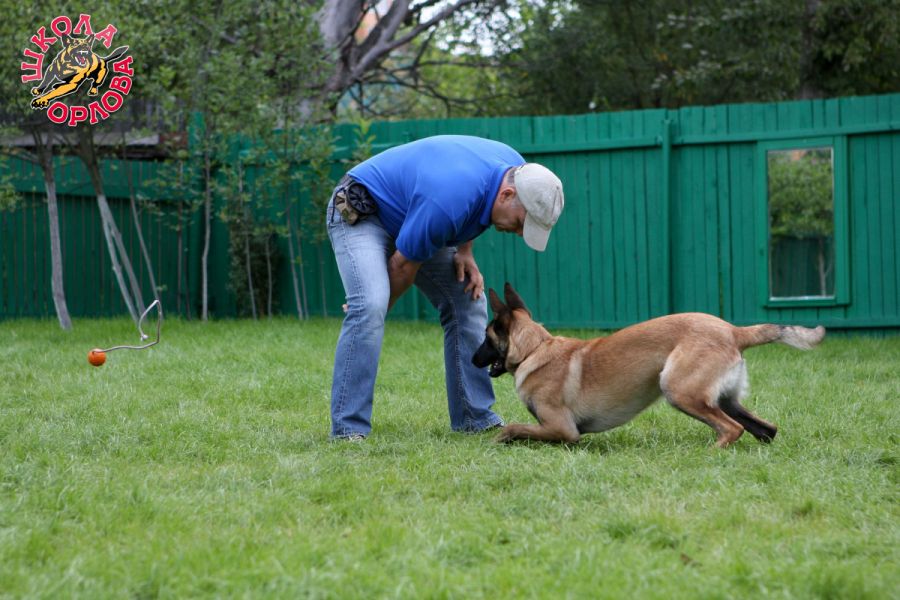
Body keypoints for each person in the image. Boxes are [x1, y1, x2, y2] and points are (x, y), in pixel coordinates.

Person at [325, 134, 564, 440]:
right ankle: (348, 428)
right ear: (507, 195)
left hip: (418, 217)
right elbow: (402, 266)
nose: (519, 233)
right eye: (520, 223)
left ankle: (474, 417)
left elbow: (480, 206)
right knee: (370, 306)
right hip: (363, 213)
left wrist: (465, 251)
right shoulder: (449, 200)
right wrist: (374, 307)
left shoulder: (516, 170)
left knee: (468, 299)